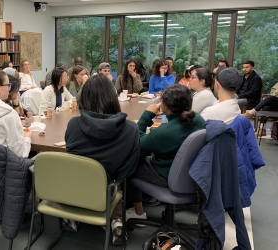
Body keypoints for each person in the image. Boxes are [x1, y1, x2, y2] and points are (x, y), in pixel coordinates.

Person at [65, 74, 140, 245]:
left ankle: (70, 213)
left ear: (84, 97)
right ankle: (117, 220)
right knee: (116, 178)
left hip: (74, 186)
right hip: (108, 190)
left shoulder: (73, 124)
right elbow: (129, 167)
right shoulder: (130, 128)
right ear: (113, 97)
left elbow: (71, 155)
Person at [128, 84, 205, 237]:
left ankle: (138, 212)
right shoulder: (198, 119)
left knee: (128, 163)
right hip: (193, 177)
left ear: (164, 105)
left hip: (166, 177)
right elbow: (173, 136)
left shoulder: (165, 133)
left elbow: (137, 142)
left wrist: (146, 115)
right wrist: (157, 134)